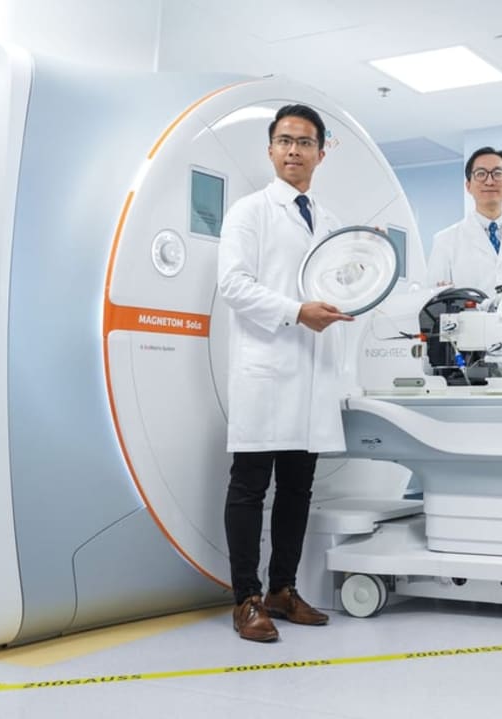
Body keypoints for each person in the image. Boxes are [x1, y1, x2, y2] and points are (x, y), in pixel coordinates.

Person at [217, 104, 353, 642]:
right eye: (285, 141)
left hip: (313, 370)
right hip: (267, 366)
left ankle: (283, 589)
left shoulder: (332, 222)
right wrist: (297, 312)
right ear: (271, 149)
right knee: (250, 486)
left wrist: (355, 287)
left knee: (298, 489)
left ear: (321, 153)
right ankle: (246, 599)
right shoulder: (249, 212)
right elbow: (233, 285)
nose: (294, 150)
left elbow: (339, 283)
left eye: (304, 142)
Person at [426, 146, 502, 296]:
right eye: (481, 174)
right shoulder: (445, 241)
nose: (489, 181)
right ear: (468, 186)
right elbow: (434, 300)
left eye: (498, 174)